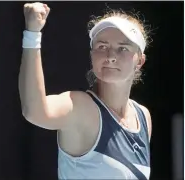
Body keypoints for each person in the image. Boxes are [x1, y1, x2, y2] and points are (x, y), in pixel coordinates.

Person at [19, 2, 152, 180]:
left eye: (123, 48)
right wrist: (32, 35)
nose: (111, 56)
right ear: (92, 56)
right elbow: (34, 111)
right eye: (102, 47)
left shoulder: (143, 116)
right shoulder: (79, 106)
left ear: (140, 61)